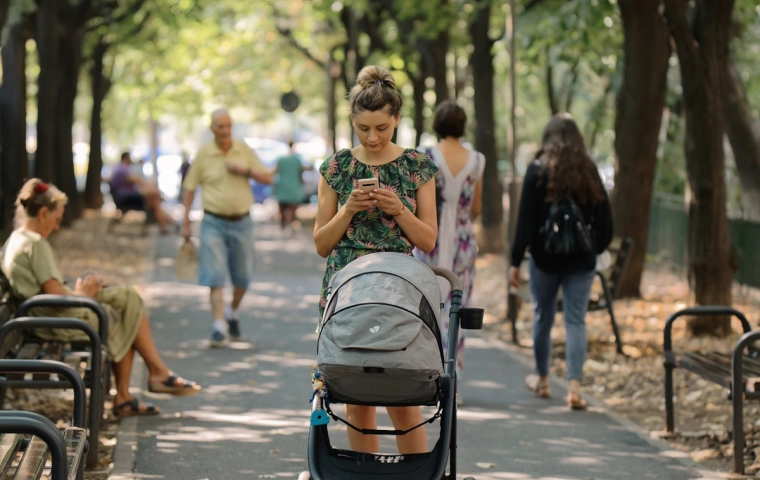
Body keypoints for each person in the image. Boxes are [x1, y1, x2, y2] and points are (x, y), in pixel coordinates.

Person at [313, 65, 439, 455]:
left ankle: (417, 471)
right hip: (347, 289)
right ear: (352, 120)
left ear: (397, 120)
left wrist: (400, 210)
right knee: (356, 395)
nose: (372, 137)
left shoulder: (416, 166)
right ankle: (362, 472)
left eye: (382, 128)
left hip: (397, 287)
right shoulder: (336, 167)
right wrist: (347, 210)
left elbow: (429, 241)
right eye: (363, 128)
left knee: (401, 394)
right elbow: (321, 243)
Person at [0, 179, 202, 416]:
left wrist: (81, 291)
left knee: (127, 298)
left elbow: (48, 288)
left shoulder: (17, 238)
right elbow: (54, 293)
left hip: (43, 313)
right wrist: (81, 294)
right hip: (52, 319)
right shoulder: (35, 244)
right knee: (123, 313)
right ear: (43, 213)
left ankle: (146, 381)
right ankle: (148, 380)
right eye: (56, 220)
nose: (56, 227)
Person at [508, 114, 613, 410]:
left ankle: (542, 379)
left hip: (544, 258)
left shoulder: (538, 170)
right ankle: (575, 387)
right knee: (576, 319)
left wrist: (516, 261)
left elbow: (525, 222)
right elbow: (606, 220)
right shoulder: (589, 171)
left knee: (543, 316)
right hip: (581, 261)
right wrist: (595, 248)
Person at [181, 108, 273, 348]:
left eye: (228, 126)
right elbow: (190, 187)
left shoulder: (243, 149)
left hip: (242, 222)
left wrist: (245, 171)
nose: (224, 130)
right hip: (213, 222)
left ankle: (232, 313)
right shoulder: (204, 153)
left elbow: (267, 178)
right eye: (220, 126)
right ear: (212, 128)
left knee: (242, 277)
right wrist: (186, 221)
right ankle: (218, 325)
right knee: (215, 275)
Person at [414, 100, 484, 391]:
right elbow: (476, 207)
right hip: (463, 243)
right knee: (458, 306)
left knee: (427, 305)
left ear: (437, 125)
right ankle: (454, 380)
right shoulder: (477, 160)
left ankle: (425, 372)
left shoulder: (424, 156)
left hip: (429, 236)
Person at [110, 151, 178, 234]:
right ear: (126, 158)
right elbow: (137, 180)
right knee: (154, 200)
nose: (131, 160)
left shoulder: (119, 168)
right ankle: (169, 224)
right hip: (125, 198)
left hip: (125, 197)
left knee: (154, 201)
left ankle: (167, 225)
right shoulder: (123, 169)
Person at [273, 141, 311, 232]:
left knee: (282, 207)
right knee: (292, 208)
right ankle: (291, 224)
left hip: (282, 186)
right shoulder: (297, 160)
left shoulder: (281, 160)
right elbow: (301, 174)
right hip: (294, 187)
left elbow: (275, 172)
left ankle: (283, 225)